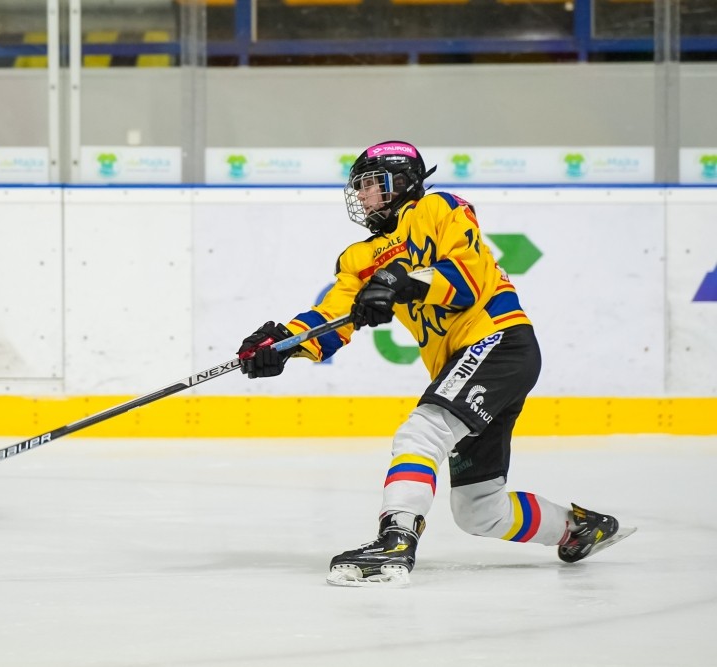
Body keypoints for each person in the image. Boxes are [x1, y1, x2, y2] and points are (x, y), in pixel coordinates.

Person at [236, 140, 634, 587]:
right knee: (479, 510)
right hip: (467, 362)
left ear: (403, 182)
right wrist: (283, 344)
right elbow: (332, 317)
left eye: (372, 183)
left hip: (497, 339)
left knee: (421, 432)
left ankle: (396, 540)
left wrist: (400, 281)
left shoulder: (440, 208)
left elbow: (466, 278)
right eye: (359, 186)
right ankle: (577, 527)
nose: (362, 194)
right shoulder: (358, 258)